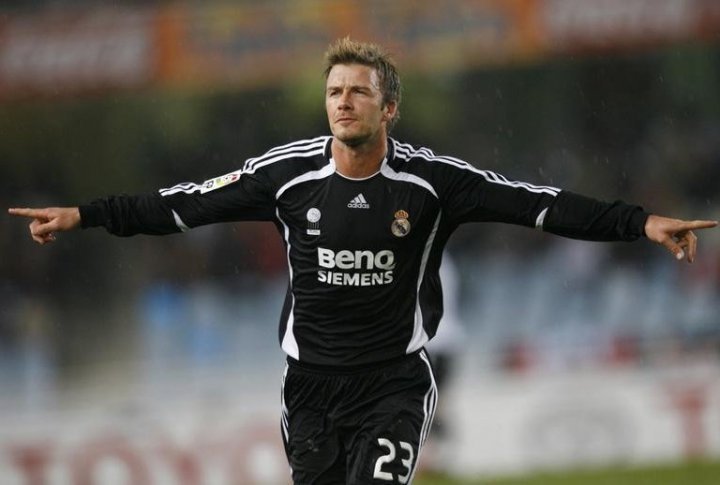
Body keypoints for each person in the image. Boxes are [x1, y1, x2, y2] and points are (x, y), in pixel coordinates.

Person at [8, 37, 717, 484]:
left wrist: (640, 222)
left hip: (393, 387)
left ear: (390, 108)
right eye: (334, 92)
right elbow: (180, 205)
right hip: (308, 388)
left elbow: (542, 203)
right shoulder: (285, 176)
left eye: (358, 92)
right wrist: (86, 213)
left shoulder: (431, 183)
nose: (343, 103)